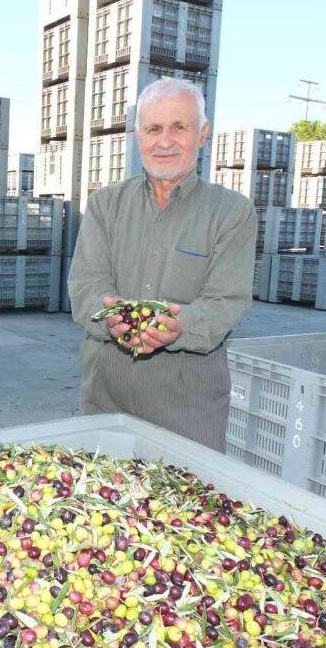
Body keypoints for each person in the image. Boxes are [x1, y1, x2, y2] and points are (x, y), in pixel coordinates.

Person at [68, 77, 257, 451]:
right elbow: (87, 286)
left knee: (183, 507)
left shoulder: (232, 212)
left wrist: (179, 326)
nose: (165, 141)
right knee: (103, 506)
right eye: (153, 128)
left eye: (179, 127)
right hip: (107, 400)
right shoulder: (106, 205)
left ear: (202, 134)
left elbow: (226, 302)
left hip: (188, 411)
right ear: (138, 136)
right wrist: (113, 318)